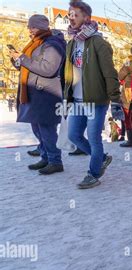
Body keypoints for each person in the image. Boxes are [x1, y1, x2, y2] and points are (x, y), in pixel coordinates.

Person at [65, 0, 124, 189]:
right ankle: (102, 159)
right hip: (77, 100)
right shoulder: (71, 44)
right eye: (69, 13)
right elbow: (67, 73)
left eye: (75, 14)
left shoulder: (99, 43)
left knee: (94, 137)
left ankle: (93, 173)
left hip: (96, 100)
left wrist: (115, 99)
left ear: (86, 18)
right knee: (73, 136)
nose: (71, 17)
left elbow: (110, 73)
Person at [9, 14, 66, 175]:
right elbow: (28, 66)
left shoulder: (53, 44)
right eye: (29, 27)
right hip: (35, 94)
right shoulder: (35, 44)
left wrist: (23, 58)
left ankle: (55, 161)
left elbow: (48, 69)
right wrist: (17, 60)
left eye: (32, 27)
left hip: (47, 94)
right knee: (37, 128)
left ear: (41, 27)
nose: (29, 30)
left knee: (46, 129)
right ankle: (46, 157)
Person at [118, 56, 132, 147]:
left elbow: (120, 75)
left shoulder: (129, 62)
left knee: (127, 116)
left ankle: (130, 141)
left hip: (128, 91)